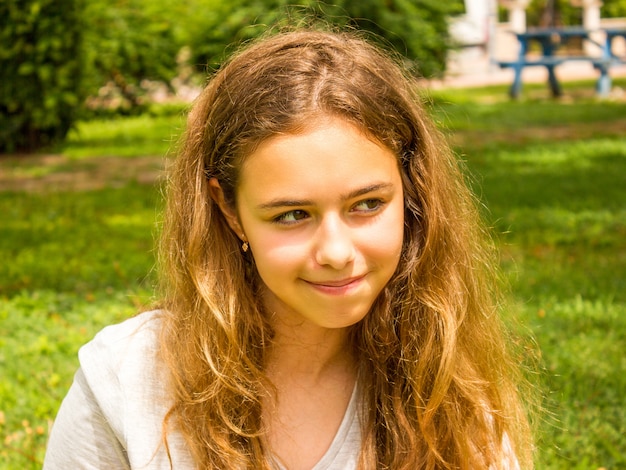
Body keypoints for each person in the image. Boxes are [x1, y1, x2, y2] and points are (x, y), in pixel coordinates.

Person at [44, 28, 533, 469]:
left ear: (411, 191)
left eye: (367, 204)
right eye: (292, 215)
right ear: (230, 210)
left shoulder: (450, 386)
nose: (337, 252)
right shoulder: (125, 384)